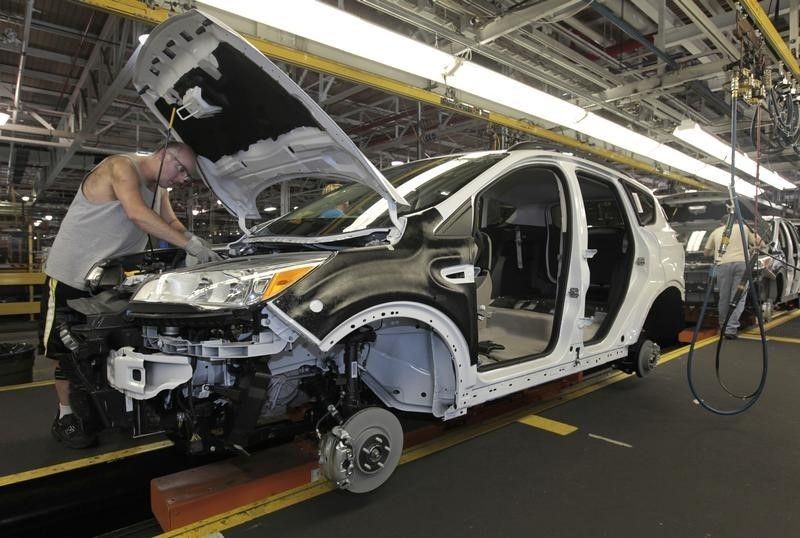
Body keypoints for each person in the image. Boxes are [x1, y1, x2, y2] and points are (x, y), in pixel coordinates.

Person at [41, 142, 220, 448]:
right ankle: (66, 415)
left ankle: (106, 408)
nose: (180, 180)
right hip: (71, 274)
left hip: (110, 280)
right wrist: (187, 246)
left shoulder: (159, 188)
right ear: (164, 153)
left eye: (186, 177)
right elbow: (137, 214)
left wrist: (192, 239)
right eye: (180, 170)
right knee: (67, 349)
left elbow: (170, 222)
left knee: (104, 347)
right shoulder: (121, 166)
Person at [704, 212, 763, 340]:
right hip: (742, 265)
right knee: (737, 298)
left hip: (723, 265)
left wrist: (716, 250)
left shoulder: (716, 231)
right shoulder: (744, 228)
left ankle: (723, 327)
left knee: (724, 298)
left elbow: (706, 252)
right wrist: (751, 249)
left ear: (721, 223)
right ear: (735, 221)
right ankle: (730, 329)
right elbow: (761, 244)